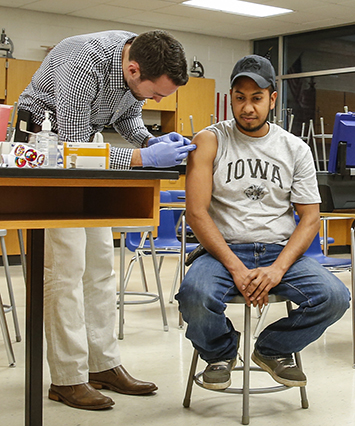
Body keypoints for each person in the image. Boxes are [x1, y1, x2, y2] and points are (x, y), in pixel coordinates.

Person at [16, 29, 196, 410]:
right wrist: (143, 160)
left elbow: (128, 117)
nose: (158, 100)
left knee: (100, 265)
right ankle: (67, 378)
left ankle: (102, 364)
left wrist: (151, 142)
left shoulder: (136, 57)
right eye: (157, 94)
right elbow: (72, 144)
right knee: (65, 268)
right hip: (46, 147)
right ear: (133, 70)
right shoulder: (83, 62)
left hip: (86, 145)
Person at [176, 54, 350, 391]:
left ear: (272, 99)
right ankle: (221, 353)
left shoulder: (294, 149)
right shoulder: (210, 140)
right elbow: (196, 212)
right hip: (220, 252)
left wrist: (277, 269)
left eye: (256, 98)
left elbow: (310, 217)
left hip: (277, 251)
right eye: (239, 98)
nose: (247, 108)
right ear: (231, 98)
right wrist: (236, 268)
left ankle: (273, 350)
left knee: (335, 297)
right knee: (194, 294)